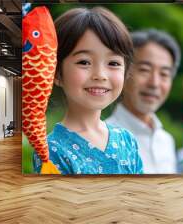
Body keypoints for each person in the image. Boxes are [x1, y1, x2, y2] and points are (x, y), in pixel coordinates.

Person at [33, 7, 143, 174]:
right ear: (55, 72)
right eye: (84, 62)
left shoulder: (126, 140)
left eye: (113, 63)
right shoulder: (51, 151)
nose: (100, 75)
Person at [106, 29, 180, 174]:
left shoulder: (166, 141)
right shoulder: (103, 138)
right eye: (145, 70)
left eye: (164, 74)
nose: (155, 83)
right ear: (123, 72)